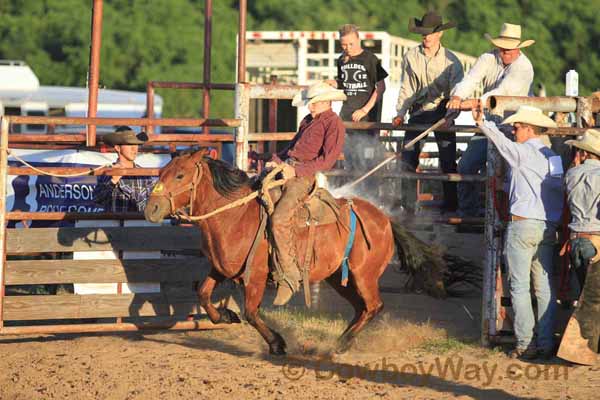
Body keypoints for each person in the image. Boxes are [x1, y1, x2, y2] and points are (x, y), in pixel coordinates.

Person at [473, 104, 563, 359]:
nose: (514, 129)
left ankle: (525, 343)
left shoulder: (522, 152)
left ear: (529, 129)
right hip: (547, 225)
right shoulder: (553, 157)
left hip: (523, 223)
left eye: (518, 126)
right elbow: (556, 188)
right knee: (544, 287)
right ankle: (545, 342)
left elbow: (502, 144)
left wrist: (483, 123)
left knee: (520, 286)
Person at [250, 82, 346, 306]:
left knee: (280, 219)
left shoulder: (334, 124)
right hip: (288, 169)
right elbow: (290, 148)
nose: (310, 107)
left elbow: (328, 160)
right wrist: (272, 161)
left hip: (303, 177)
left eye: (314, 103)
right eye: (310, 103)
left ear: (326, 101)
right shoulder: (308, 121)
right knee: (254, 198)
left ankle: (289, 277)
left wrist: (296, 170)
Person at [446, 23, 535, 217]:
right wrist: (457, 96)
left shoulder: (524, 68)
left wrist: (473, 102)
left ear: (518, 49)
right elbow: (471, 79)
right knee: (466, 165)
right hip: (489, 123)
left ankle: (510, 215)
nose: (505, 52)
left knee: (512, 171)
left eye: (509, 49)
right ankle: (469, 213)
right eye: (502, 48)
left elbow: (503, 92)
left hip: (514, 127)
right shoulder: (488, 58)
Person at [391, 11, 464, 213]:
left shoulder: (452, 61)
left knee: (448, 160)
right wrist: (400, 112)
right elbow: (407, 88)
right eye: (423, 33)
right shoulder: (410, 57)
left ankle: (451, 207)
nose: (426, 37)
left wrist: (451, 117)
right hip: (418, 112)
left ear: (439, 34)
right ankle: (408, 207)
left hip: (443, 110)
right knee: (408, 158)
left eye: (430, 33)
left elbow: (457, 93)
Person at [326, 23, 388, 174]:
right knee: (350, 157)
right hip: (347, 115)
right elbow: (344, 83)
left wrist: (365, 109)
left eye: (351, 44)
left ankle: (369, 191)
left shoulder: (370, 59)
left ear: (358, 40)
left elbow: (381, 87)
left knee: (366, 157)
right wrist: (333, 83)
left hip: (367, 117)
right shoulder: (341, 60)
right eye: (344, 45)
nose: (347, 48)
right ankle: (353, 192)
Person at [564, 129, 600, 354]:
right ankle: (587, 349)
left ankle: (583, 348)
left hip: (576, 239)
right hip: (596, 239)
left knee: (583, 297)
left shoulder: (571, 174)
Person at [93, 126, 156, 212]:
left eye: (136, 144)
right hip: (113, 224)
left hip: (137, 223)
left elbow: (151, 205)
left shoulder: (145, 175)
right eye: (130, 144)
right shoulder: (107, 172)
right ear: (118, 148)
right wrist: (113, 181)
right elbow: (97, 199)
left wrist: (121, 185)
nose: (134, 148)